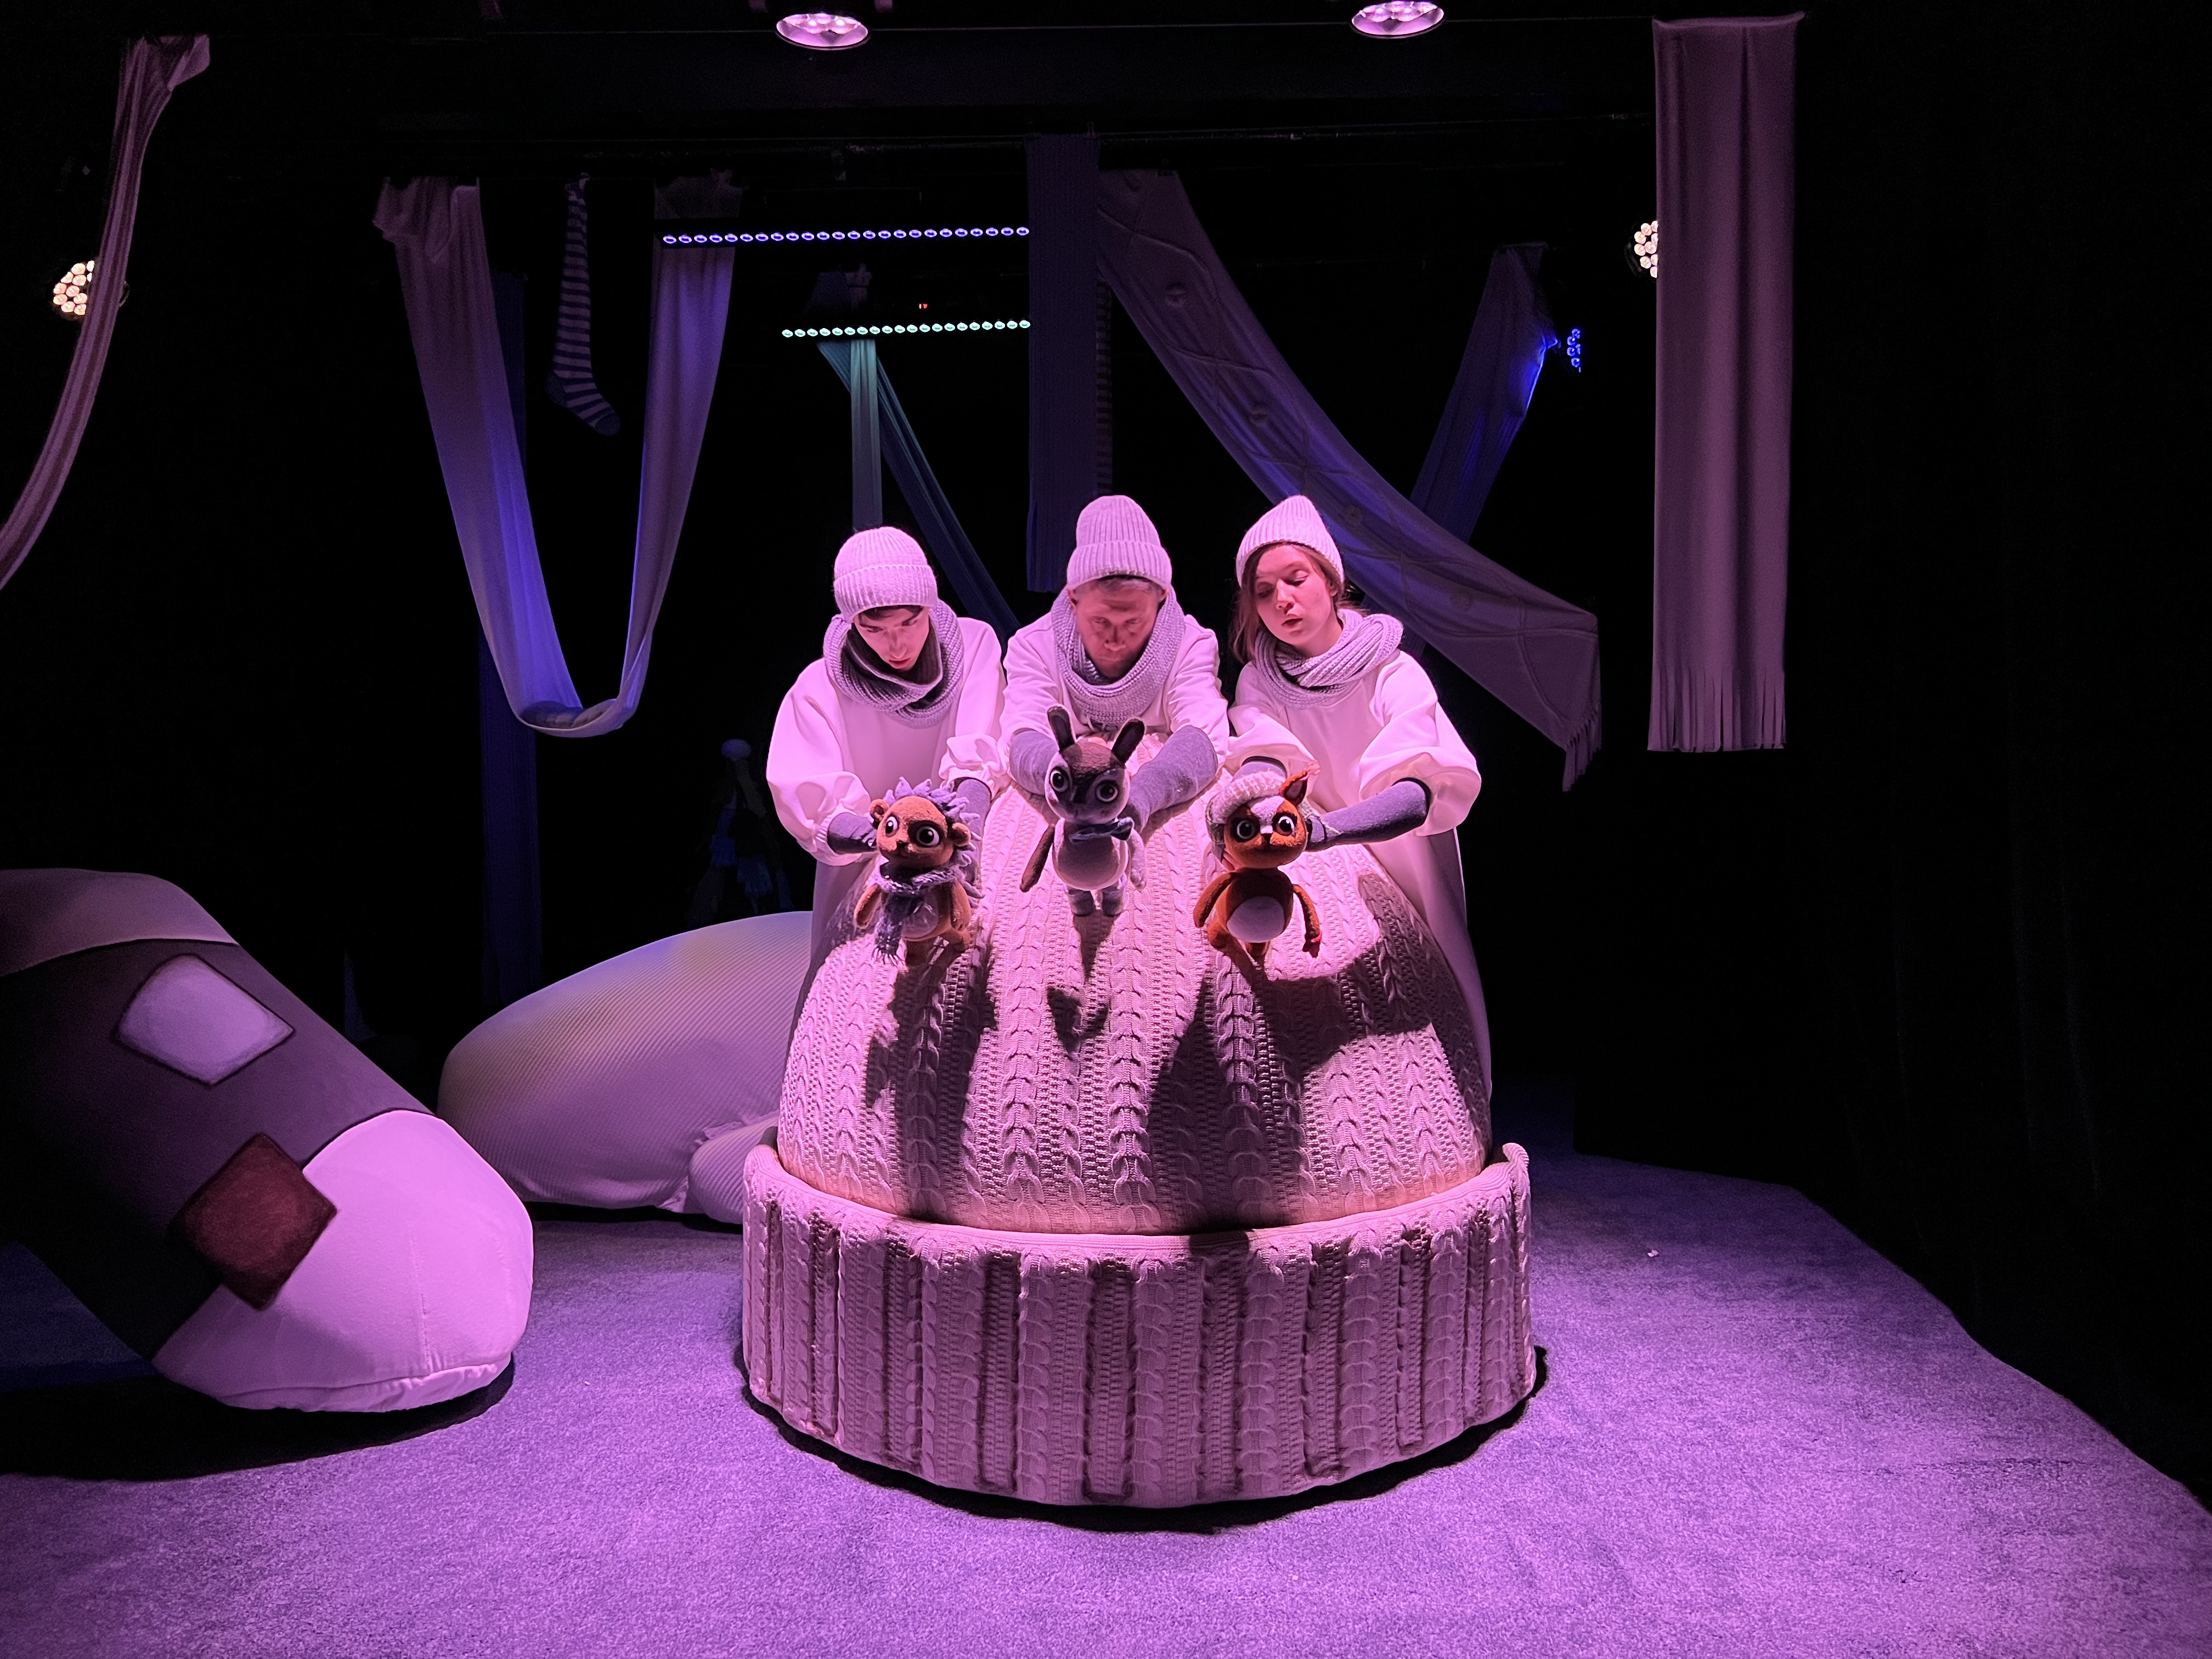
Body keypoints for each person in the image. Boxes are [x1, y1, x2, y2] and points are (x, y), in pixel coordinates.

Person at [1223, 495, 1491, 1080]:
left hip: (1400, 856)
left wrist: (1323, 831)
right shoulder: (1259, 681)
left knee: (1433, 996)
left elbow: (1417, 794)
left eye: (1295, 579)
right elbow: (1263, 760)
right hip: (1313, 862)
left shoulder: (1391, 670)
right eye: (1263, 592)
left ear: (1331, 580)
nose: (1281, 600)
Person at [768, 527, 1004, 979]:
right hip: (864, 877)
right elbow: (815, 805)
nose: (896, 646)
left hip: (967, 845)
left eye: (909, 623)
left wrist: (955, 853)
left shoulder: (974, 645)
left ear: (930, 605)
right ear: (850, 623)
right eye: (873, 629)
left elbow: (978, 757)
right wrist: (898, 846)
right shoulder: (819, 688)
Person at [1001, 495, 1228, 852]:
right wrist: (1075, 786)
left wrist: (1136, 797)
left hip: (1162, 809)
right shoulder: (1033, 646)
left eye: (1133, 622)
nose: (1115, 640)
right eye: (1100, 621)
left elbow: (1204, 733)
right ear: (1073, 598)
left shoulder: (1191, 644)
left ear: (1162, 597)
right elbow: (1022, 734)